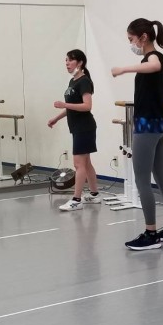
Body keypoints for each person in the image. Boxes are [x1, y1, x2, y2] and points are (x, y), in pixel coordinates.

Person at [112, 18, 163, 250]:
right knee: (161, 176)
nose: (130, 44)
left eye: (131, 39)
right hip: (162, 124)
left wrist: (124, 69)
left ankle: (151, 233)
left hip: (148, 126)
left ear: (143, 37)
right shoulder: (149, 59)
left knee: (142, 179)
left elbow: (155, 65)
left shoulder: (153, 57)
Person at [48, 49, 100, 210]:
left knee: (78, 164)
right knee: (86, 163)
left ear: (80, 62)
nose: (67, 63)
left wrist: (64, 104)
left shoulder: (84, 81)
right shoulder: (73, 81)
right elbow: (72, 107)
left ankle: (76, 200)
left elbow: (87, 106)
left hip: (85, 127)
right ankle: (94, 195)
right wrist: (56, 118)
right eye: (66, 60)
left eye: (70, 60)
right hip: (78, 128)